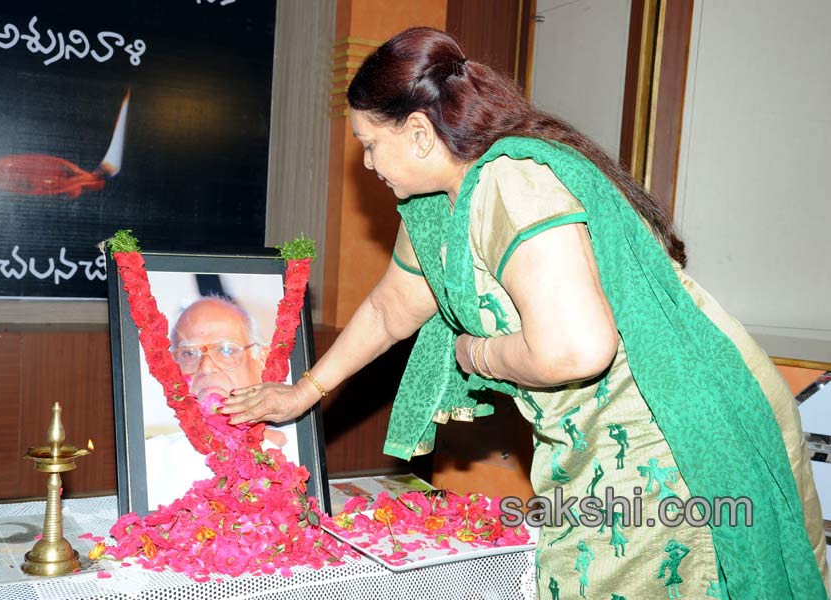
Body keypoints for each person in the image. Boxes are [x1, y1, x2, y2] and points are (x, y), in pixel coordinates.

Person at [223, 27, 829, 598]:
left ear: (418, 132)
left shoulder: (513, 182)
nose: (368, 165)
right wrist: (303, 392)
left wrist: (476, 353)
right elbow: (389, 309)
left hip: (670, 427)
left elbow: (575, 350)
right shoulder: (442, 204)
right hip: (598, 434)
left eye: (370, 144)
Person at [145, 296, 294, 510]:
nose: (206, 368)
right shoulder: (153, 459)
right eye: (189, 353)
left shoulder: (298, 446)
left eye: (226, 350)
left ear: (262, 359)